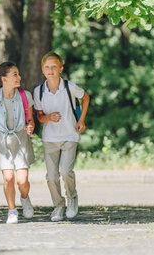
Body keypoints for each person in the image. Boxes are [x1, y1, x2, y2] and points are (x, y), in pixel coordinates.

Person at [33, 51, 90, 222]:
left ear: (60, 69)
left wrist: (81, 120)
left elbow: (86, 98)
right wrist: (48, 118)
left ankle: (72, 198)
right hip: (50, 139)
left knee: (66, 171)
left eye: (54, 67)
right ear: (43, 70)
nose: (50, 70)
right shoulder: (39, 91)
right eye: (47, 67)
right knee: (51, 176)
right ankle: (58, 205)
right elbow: (40, 117)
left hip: (69, 135)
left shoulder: (70, 87)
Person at [0, 61, 35, 224]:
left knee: (22, 181)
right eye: (15, 75)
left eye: (18, 74)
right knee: (8, 178)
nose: (19, 77)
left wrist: (30, 126)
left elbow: (30, 119)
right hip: (2, 143)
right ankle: (12, 210)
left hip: (21, 141)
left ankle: (25, 198)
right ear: (4, 79)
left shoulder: (26, 96)